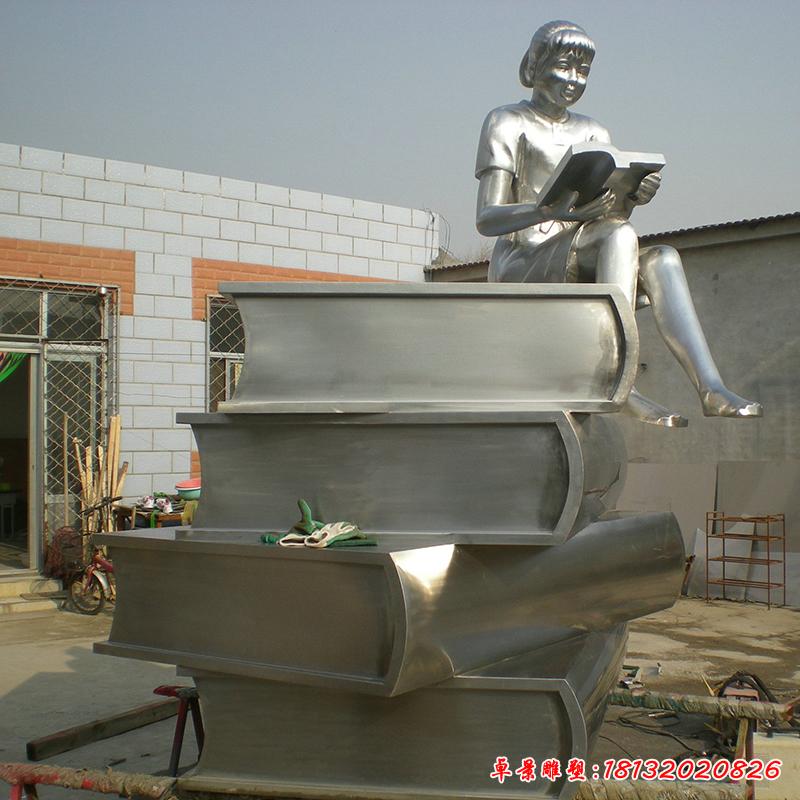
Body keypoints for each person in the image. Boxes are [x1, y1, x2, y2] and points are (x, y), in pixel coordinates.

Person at [475, 20, 762, 425]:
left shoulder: (593, 130)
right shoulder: (506, 122)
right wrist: (547, 211)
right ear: (535, 66)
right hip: (524, 259)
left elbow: (607, 218)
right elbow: (486, 219)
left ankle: (711, 387)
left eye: (583, 72)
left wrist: (631, 194)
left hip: (579, 246)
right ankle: (615, 377)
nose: (573, 80)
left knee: (662, 257)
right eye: (563, 67)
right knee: (620, 236)